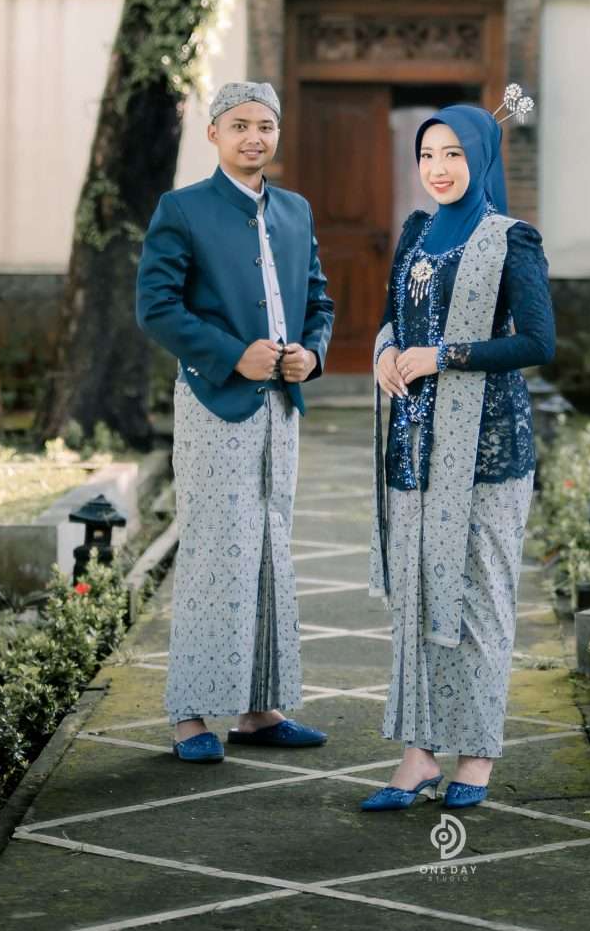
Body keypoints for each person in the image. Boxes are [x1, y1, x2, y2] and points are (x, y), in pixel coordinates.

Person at [361, 96, 554, 812]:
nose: (438, 168)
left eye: (453, 154)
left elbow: (537, 341)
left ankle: (475, 754)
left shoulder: (513, 239)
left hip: (486, 449)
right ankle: (418, 754)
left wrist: (443, 355)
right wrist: (385, 351)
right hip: (415, 442)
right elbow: (395, 317)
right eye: (427, 155)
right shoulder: (416, 232)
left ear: (481, 157)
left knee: (478, 595)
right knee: (416, 595)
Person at [134, 80, 334, 762]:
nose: (255, 137)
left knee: (272, 548)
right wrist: (230, 354)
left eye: (266, 125)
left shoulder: (297, 210)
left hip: (282, 408)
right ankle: (189, 716)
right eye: (240, 124)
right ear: (214, 133)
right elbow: (156, 306)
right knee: (215, 551)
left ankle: (259, 711)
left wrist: (312, 352)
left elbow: (319, 301)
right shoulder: (182, 208)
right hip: (215, 403)